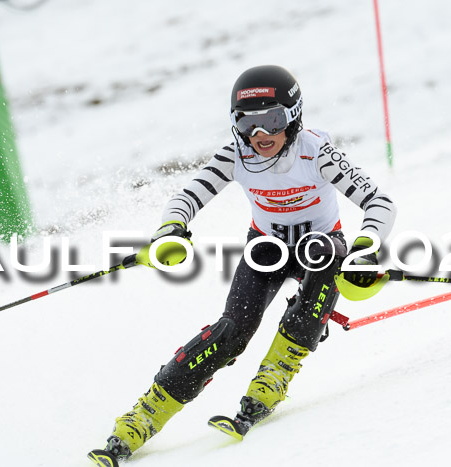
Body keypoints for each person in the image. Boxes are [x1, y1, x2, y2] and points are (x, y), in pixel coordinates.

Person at [88, 65, 397, 467]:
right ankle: (143, 416)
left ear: (294, 116)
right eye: (246, 122)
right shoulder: (236, 155)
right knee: (232, 332)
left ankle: (274, 375)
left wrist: (365, 249)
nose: (260, 134)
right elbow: (186, 197)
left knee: (325, 251)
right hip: (265, 250)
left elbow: (380, 203)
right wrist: (171, 229)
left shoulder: (316, 151)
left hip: (320, 248)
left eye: (272, 119)